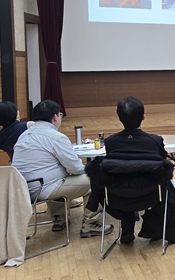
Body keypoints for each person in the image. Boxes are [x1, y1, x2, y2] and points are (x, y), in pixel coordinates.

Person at [12, 100, 113, 238]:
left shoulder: (24, 135)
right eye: (60, 115)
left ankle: (59, 218)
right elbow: (76, 168)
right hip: (42, 189)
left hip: (22, 190)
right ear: (55, 117)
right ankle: (91, 224)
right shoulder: (56, 137)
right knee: (94, 179)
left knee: (55, 176)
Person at [93, 96, 173, 244]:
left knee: (125, 178)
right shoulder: (154, 141)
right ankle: (151, 229)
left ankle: (127, 229)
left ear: (119, 118)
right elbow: (162, 161)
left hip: (118, 196)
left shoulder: (111, 142)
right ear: (143, 117)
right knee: (165, 184)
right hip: (151, 194)